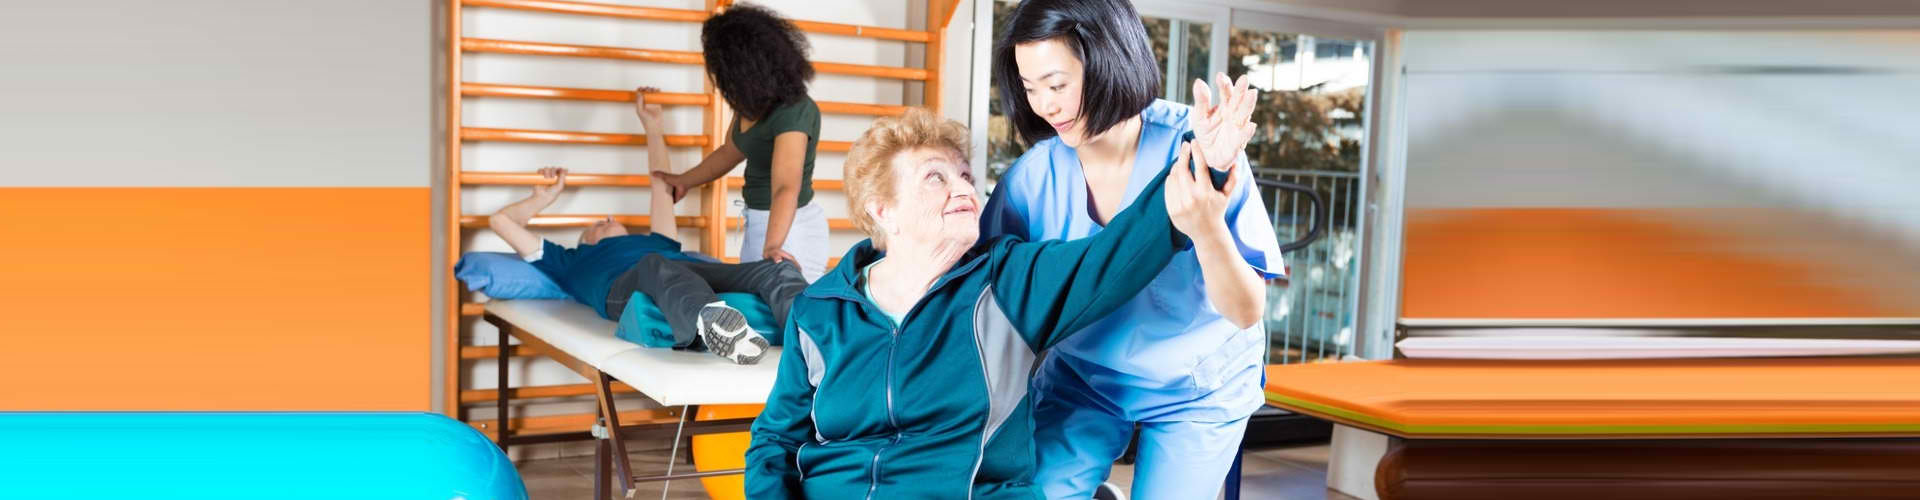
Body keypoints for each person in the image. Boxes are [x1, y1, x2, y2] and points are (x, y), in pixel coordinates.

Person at [745, 101, 1254, 498]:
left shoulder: (1007, 282)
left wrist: (1206, 160)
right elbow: (775, 441)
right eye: (935, 177)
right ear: (884, 211)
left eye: (965, 175)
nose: (964, 187)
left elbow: (1114, 254)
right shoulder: (820, 312)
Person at [985, 0, 1282, 498]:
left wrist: (1206, 227)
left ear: (1108, 62)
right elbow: (986, 289)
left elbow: (1247, 311)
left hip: (1199, 384)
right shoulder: (1033, 177)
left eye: (1057, 85)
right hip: (1085, 377)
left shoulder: (1200, 148)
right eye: (1030, 89)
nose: (1045, 106)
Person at [482, 89, 807, 364]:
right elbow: (501, 222)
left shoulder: (657, 240)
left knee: (776, 267)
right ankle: (713, 324)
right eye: (597, 225)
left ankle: (812, 338)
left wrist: (652, 125)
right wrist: (543, 197)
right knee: (653, 263)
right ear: (586, 243)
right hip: (626, 286)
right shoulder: (569, 261)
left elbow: (661, 186)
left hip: (686, 271)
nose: (607, 218)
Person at [647, 3, 829, 281]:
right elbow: (729, 152)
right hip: (760, 223)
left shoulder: (795, 111)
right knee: (758, 308)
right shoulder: (751, 106)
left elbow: (785, 188)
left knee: (787, 314)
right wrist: (684, 180)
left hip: (791, 229)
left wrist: (773, 246)